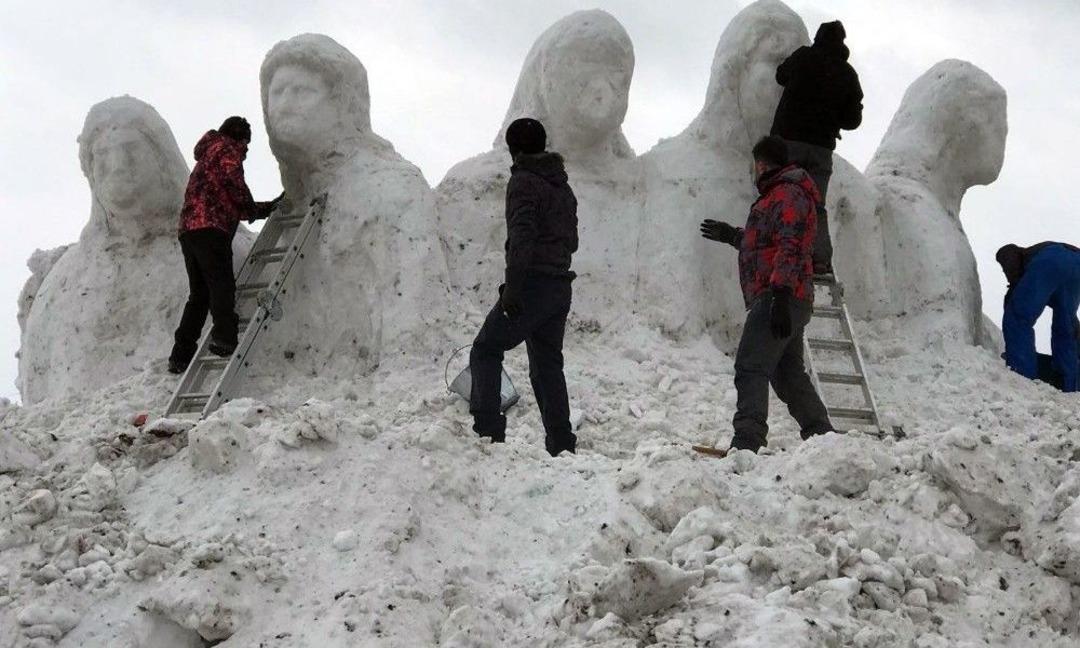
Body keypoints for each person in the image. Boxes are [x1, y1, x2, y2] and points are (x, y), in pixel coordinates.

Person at [700, 135, 834, 453]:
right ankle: (822, 438)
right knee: (787, 374)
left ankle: (747, 440)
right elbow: (766, 241)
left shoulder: (788, 194)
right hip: (785, 295)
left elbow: (791, 245)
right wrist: (732, 235)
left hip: (780, 294)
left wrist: (781, 296)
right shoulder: (778, 195)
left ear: (761, 164)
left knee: (750, 364)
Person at [468, 118, 579, 456]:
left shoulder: (524, 182)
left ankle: (487, 432)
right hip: (560, 285)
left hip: (532, 284)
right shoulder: (562, 186)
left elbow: (522, 237)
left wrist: (514, 289)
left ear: (513, 150)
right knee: (547, 365)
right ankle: (561, 444)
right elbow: (571, 241)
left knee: (486, 348)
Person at [168, 116, 280, 373]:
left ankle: (180, 355)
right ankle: (225, 338)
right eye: (247, 144)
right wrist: (254, 208)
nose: (247, 151)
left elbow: (225, 199)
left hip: (189, 230)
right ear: (238, 136)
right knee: (221, 283)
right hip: (211, 229)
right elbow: (234, 185)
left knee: (199, 294)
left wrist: (259, 209)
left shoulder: (207, 156)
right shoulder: (227, 149)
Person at [770, 20, 863, 275]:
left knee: (782, 196)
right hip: (821, 149)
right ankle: (820, 260)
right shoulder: (847, 73)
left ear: (818, 37)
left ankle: (776, 249)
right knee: (815, 204)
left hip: (788, 143)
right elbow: (853, 120)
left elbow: (780, 75)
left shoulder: (803, 57)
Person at [997, 242, 1080, 392]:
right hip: (1077, 263)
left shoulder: (1017, 254)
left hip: (1050, 258)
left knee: (1018, 317)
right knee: (1066, 327)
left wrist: (1013, 294)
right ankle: (1068, 385)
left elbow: (1006, 253)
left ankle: (1021, 377)